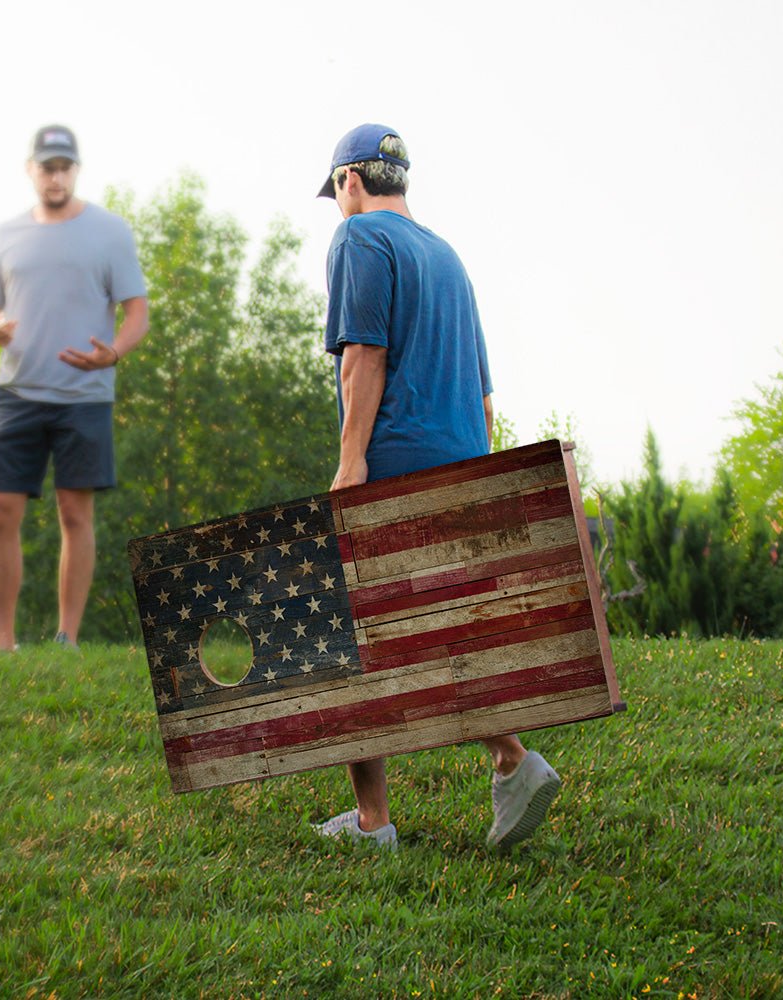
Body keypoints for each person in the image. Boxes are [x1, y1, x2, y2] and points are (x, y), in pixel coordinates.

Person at [313, 123, 560, 850]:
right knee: (440, 630)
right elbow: (485, 396)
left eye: (333, 190)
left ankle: (373, 823)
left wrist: (352, 460)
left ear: (351, 181)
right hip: (463, 457)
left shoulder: (361, 239)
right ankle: (512, 761)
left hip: (394, 456)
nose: (336, 202)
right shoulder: (450, 260)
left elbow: (364, 355)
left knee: (355, 638)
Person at [0, 124, 149, 651]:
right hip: (17, 393)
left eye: (64, 166)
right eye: (46, 166)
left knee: (76, 513)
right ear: (31, 170)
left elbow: (137, 312)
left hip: (84, 396)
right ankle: (1, 641)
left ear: (76, 170)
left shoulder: (110, 232)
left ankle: (66, 639)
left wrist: (113, 352)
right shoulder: (4, 235)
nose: (55, 175)